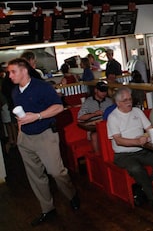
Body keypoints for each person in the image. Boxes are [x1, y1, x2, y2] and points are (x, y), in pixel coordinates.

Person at [7, 58, 79, 226]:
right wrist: (19, 134)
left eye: (13, 72)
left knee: (56, 172)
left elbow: (59, 107)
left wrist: (38, 116)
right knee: (35, 176)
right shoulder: (15, 92)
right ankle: (48, 209)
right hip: (25, 138)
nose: (9, 75)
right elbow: (20, 116)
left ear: (24, 71)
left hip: (45, 135)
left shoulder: (42, 87)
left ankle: (71, 194)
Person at [107, 87, 153, 207]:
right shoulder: (113, 117)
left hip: (143, 150)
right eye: (125, 100)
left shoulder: (137, 111)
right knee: (136, 169)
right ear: (118, 103)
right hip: (123, 155)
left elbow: (149, 128)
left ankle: (145, 186)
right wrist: (137, 141)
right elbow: (118, 141)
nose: (129, 102)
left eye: (130, 99)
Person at [77, 81, 114, 153]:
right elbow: (80, 117)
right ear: (96, 90)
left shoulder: (109, 101)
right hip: (94, 127)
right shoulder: (88, 102)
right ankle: (98, 156)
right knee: (94, 135)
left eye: (105, 91)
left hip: (108, 125)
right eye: (101, 91)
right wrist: (94, 114)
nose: (104, 93)